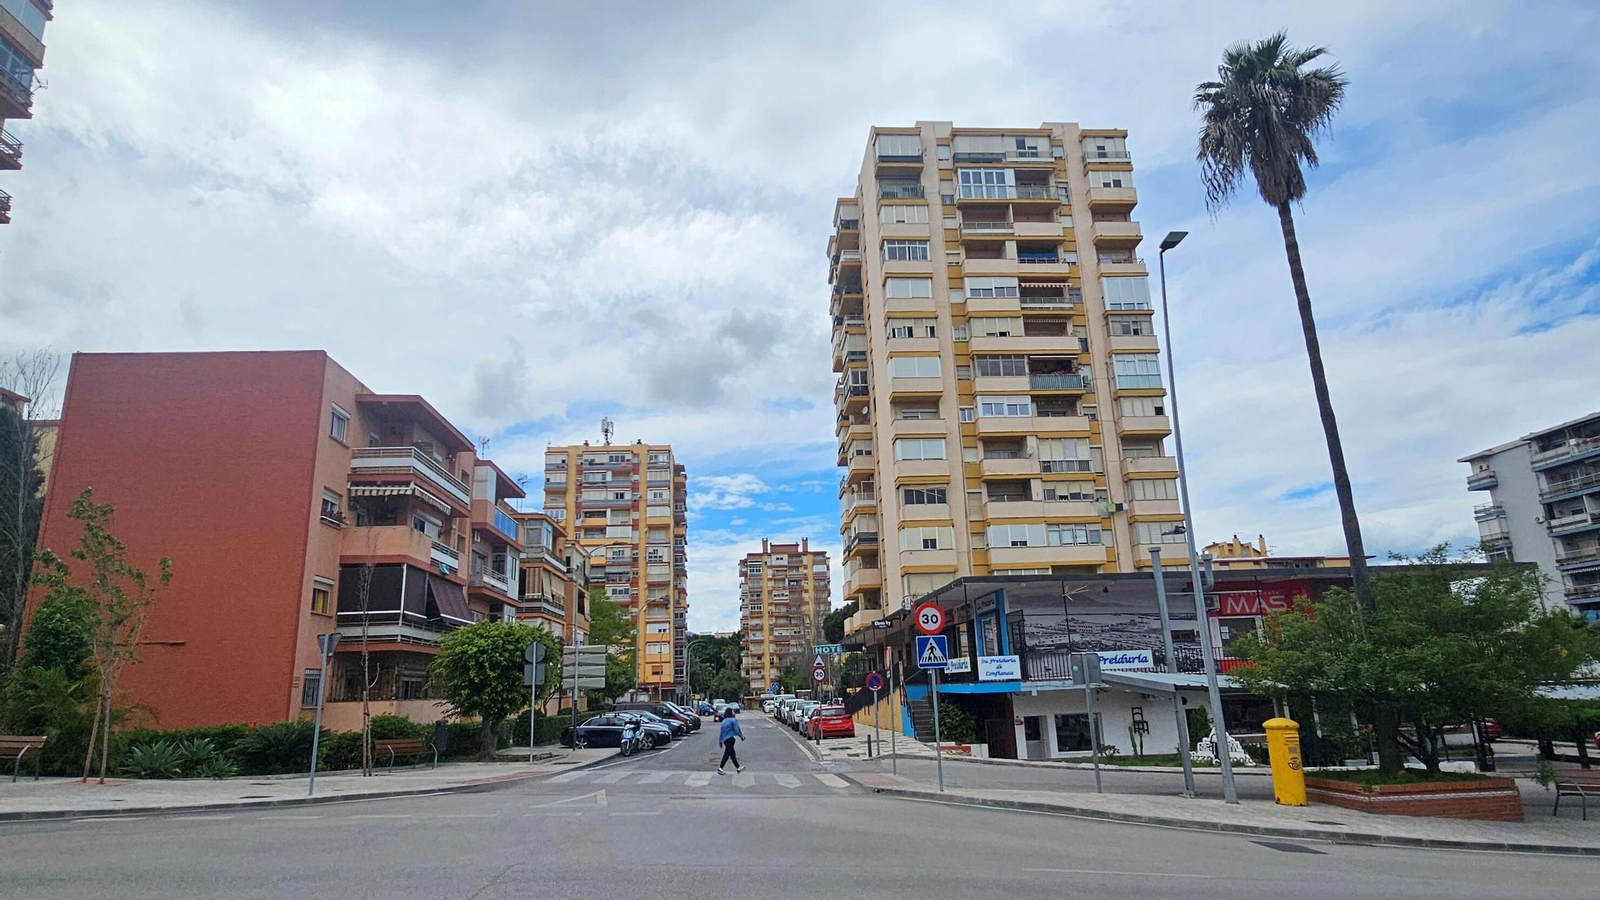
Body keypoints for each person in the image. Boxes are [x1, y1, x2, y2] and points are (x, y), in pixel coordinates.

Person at [717, 707, 745, 775]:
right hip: (730, 739)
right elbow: (736, 729)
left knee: (732, 754)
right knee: (727, 754)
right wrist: (741, 736)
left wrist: (720, 741)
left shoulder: (724, 721)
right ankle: (720, 768)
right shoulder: (733, 720)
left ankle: (738, 768)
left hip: (725, 740)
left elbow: (721, 732)